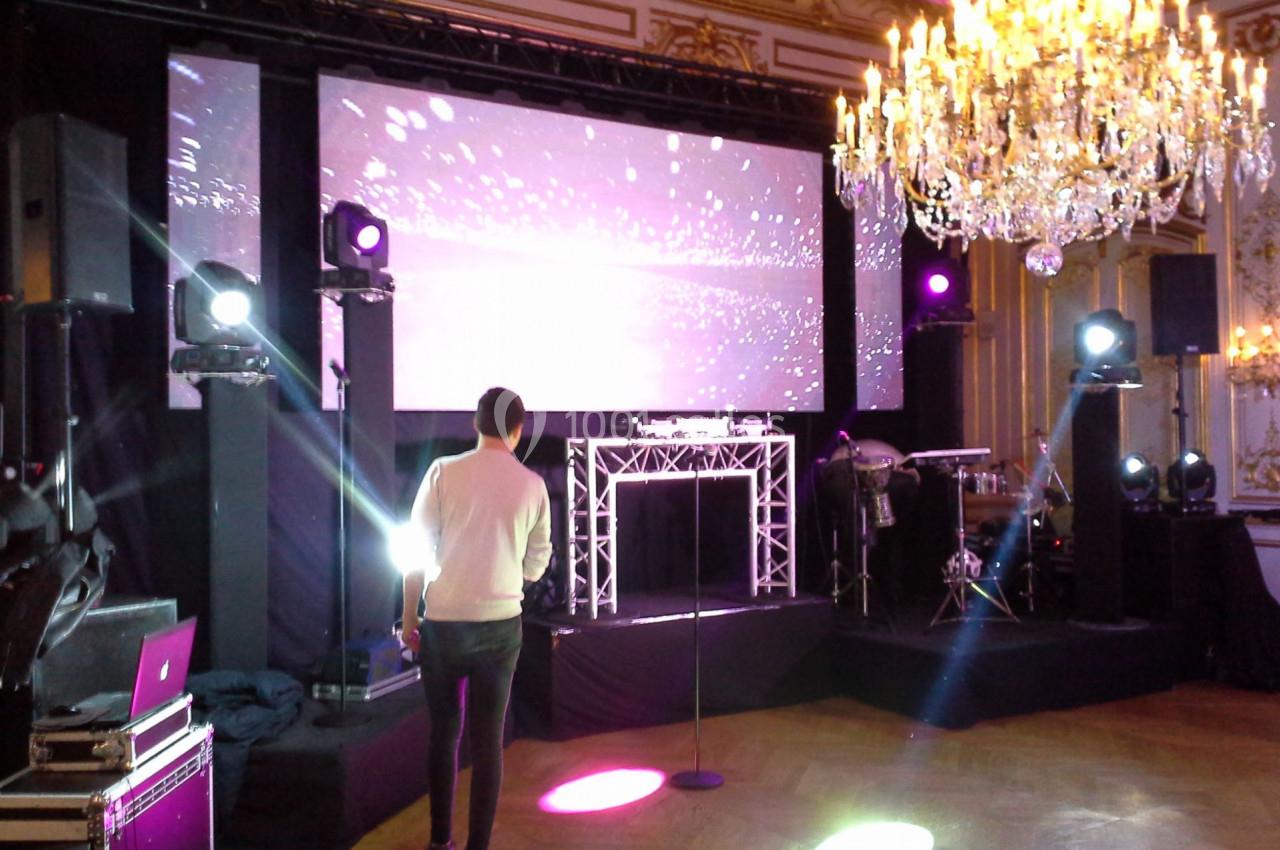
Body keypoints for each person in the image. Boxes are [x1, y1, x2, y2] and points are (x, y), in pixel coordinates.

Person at [401, 387, 553, 850]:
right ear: (518, 428)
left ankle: (438, 841)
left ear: (474, 423)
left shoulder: (443, 472)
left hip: (443, 624)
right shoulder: (533, 484)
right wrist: (511, 572)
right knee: (489, 745)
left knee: (443, 734)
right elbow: (536, 564)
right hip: (501, 626)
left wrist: (410, 618)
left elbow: (415, 553)